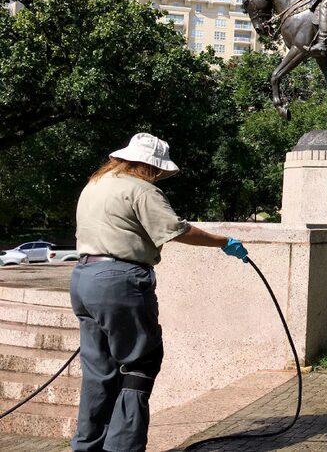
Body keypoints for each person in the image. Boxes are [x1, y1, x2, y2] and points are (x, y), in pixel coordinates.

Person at [70, 133, 250, 452]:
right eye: (156, 171)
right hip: (119, 281)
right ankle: (123, 447)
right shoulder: (141, 189)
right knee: (140, 363)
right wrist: (223, 241)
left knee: (99, 370)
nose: (156, 176)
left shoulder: (94, 185)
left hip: (84, 279)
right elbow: (176, 229)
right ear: (149, 166)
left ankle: (88, 445)